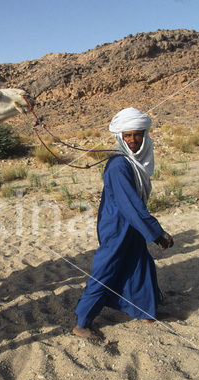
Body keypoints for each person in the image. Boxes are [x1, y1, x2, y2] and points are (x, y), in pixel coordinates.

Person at [73, 107, 174, 341]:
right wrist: (157, 233)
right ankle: (81, 322)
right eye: (127, 135)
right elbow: (130, 205)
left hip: (131, 224)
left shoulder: (134, 163)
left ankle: (146, 311)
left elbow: (134, 206)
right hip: (117, 226)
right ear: (120, 137)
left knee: (140, 262)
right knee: (105, 270)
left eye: (137, 134)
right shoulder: (119, 165)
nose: (133, 140)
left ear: (145, 135)